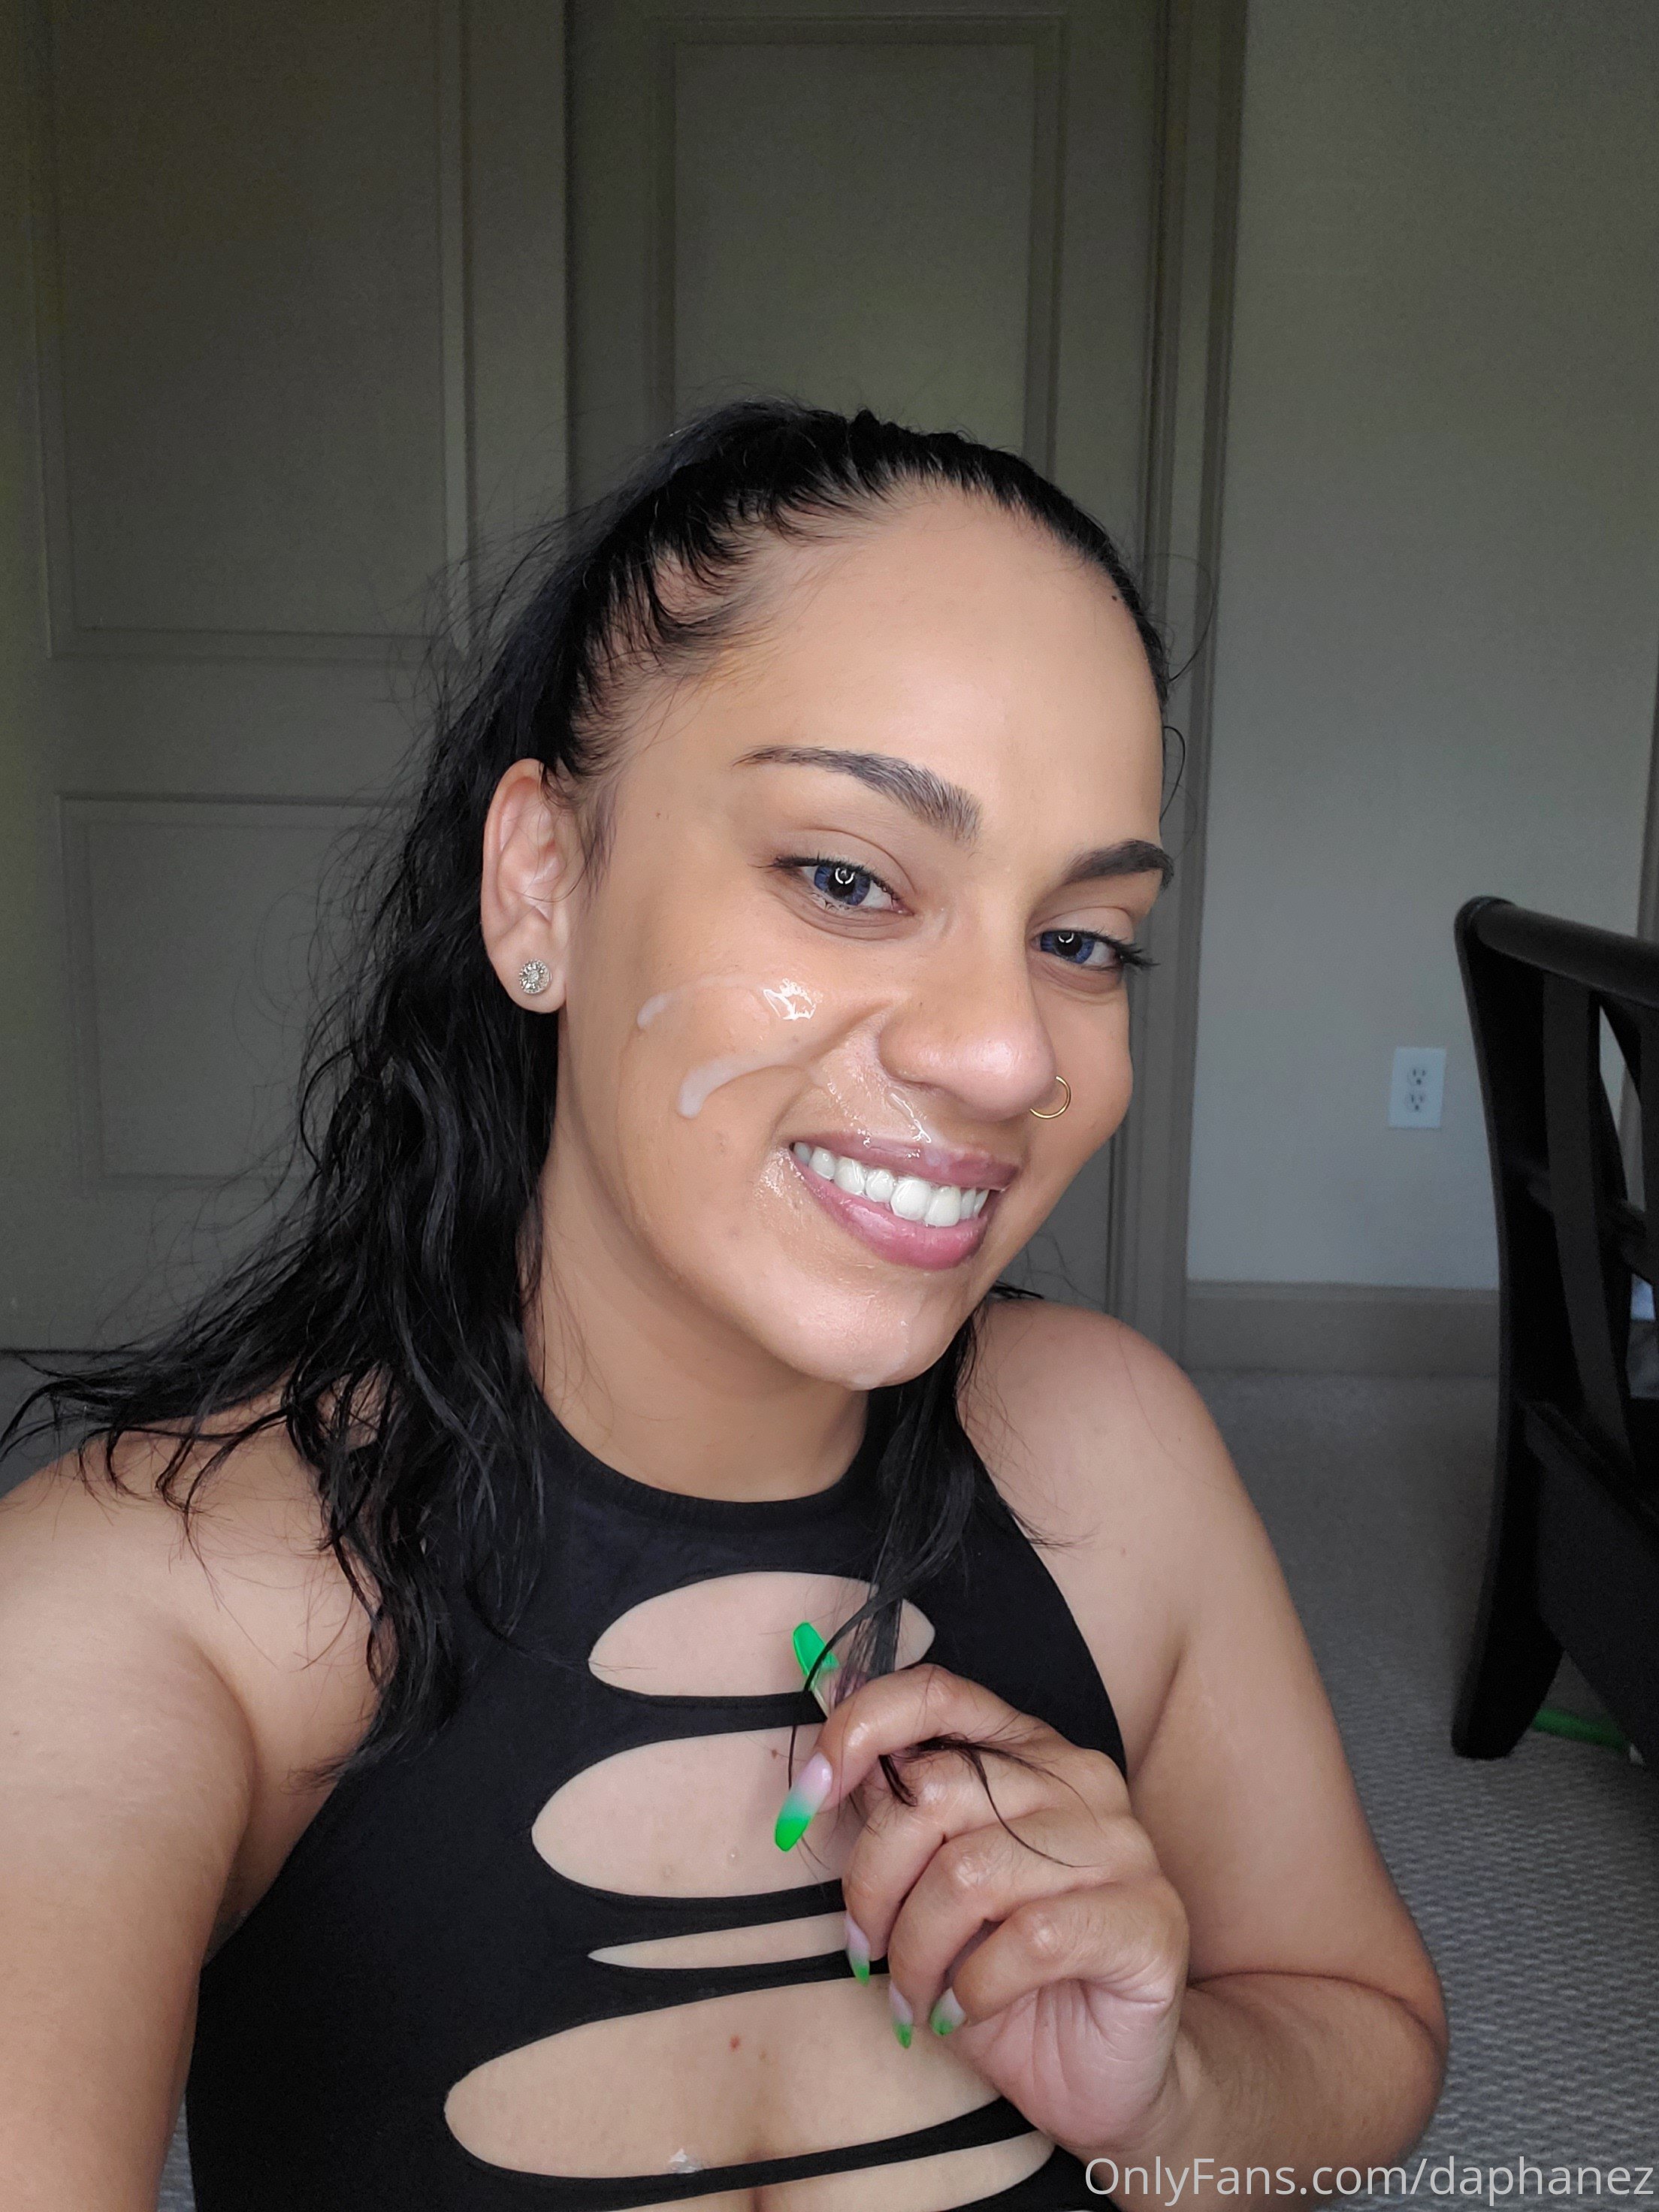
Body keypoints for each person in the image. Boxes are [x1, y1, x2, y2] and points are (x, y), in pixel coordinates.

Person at [0, 400, 1446, 2212]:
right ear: (542, 879)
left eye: (1082, 940)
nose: (1011, 1054)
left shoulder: (1114, 1452)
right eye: (847, 877)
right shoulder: (137, 1610)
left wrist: (1172, 2095)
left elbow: (1362, 2025)